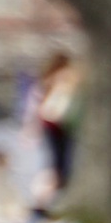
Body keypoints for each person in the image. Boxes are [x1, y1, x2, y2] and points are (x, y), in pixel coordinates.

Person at [33, 49, 77, 204]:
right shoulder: (66, 76)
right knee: (61, 163)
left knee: (53, 161)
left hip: (49, 121)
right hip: (61, 121)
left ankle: (45, 195)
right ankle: (50, 195)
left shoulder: (47, 78)